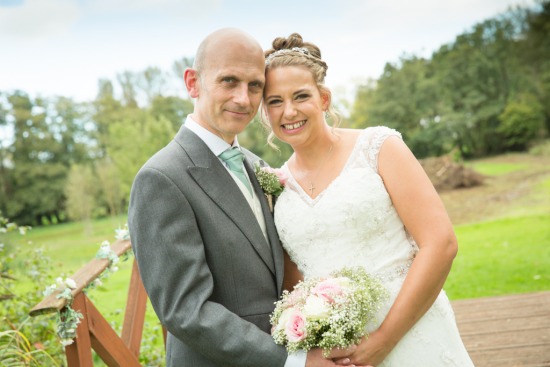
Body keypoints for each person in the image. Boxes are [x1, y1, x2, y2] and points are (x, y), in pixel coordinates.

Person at [128, 28, 352, 367]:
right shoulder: (161, 179)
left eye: (255, 86)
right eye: (229, 82)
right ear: (192, 83)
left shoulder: (256, 166)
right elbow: (187, 310)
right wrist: (294, 362)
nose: (243, 99)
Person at [261, 33, 475, 367]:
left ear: (324, 98)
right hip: (339, 352)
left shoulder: (379, 147)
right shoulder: (277, 184)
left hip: (411, 333)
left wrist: (383, 340)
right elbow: (294, 284)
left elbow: (441, 243)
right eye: (274, 101)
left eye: (300, 96)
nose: (288, 112)